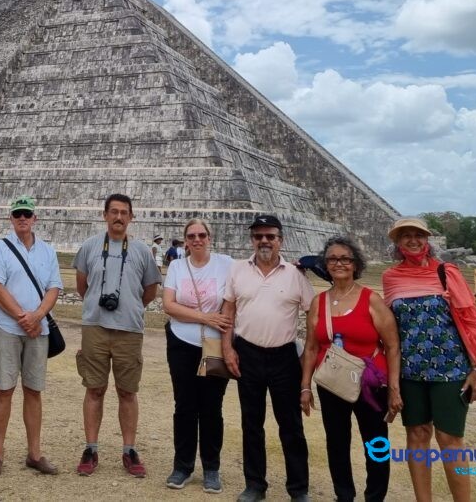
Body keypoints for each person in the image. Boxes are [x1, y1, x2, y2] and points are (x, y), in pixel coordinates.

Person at [381, 217, 476, 502]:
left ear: (427, 239)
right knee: (417, 436)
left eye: (418, 235)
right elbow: (391, 328)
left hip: (450, 370)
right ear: (397, 242)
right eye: (405, 235)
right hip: (410, 371)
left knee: (449, 439)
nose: (413, 240)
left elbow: (471, 321)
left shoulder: (446, 272)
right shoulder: (391, 278)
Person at [300, 237, 402, 502]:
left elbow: (392, 346)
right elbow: (311, 348)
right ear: (326, 265)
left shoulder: (371, 300)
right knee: (336, 442)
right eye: (332, 259)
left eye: (345, 259)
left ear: (355, 264)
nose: (339, 264)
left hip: (370, 383)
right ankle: (343, 495)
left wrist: (394, 388)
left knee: (376, 442)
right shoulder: (319, 302)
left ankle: (375, 496)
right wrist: (305, 386)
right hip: (332, 382)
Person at [221, 214, 314, 502]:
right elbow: (228, 311)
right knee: (251, 423)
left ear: (280, 240)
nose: (264, 241)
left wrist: (308, 355)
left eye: (270, 236)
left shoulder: (296, 275)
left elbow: (312, 314)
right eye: (258, 236)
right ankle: (255, 485)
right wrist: (227, 348)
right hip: (247, 353)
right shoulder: (238, 270)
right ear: (252, 240)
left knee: (291, 425)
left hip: (284, 356)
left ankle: (298, 488)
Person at [73, 193, 162, 479]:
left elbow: (150, 290)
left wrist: (129, 307)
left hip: (129, 329)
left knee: (127, 391)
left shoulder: (142, 251)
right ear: (105, 215)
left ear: (131, 217)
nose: (119, 217)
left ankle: (129, 449)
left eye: (124, 212)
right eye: (114, 211)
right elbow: (82, 287)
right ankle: (91, 448)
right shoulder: (89, 246)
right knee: (94, 388)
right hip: (95, 327)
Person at [0, 195, 62, 479]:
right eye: (17, 214)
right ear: (11, 218)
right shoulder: (0, 248)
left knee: (33, 390)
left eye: (26, 214)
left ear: (34, 218)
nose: (22, 218)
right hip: (8, 327)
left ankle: (35, 453)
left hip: (38, 328)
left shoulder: (47, 251)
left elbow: (54, 288)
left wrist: (38, 316)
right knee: (4, 389)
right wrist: (25, 318)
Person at [161, 219, 233, 493]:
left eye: (202, 235)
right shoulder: (178, 266)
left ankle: (211, 468)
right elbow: (169, 305)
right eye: (191, 236)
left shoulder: (226, 264)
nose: (197, 239)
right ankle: (183, 466)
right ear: (185, 240)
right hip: (181, 343)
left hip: (214, 346)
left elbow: (237, 295)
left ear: (210, 237)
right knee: (184, 405)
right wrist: (205, 317)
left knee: (212, 407)